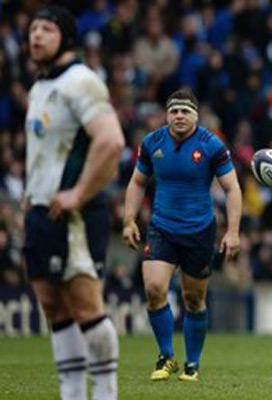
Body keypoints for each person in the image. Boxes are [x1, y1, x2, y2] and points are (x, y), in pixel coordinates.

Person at [24, 5, 124, 400]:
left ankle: (105, 392)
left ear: (65, 37)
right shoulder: (39, 86)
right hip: (40, 211)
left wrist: (78, 194)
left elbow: (111, 140)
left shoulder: (81, 81)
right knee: (53, 306)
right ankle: (71, 394)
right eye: (32, 29)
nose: (35, 36)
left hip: (75, 216)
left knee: (85, 306)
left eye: (46, 29)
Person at [122, 89, 242, 382]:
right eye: (174, 111)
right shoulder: (152, 143)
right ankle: (166, 355)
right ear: (166, 114)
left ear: (196, 116)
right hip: (162, 227)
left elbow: (232, 189)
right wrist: (129, 220)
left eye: (185, 111)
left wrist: (233, 232)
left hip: (199, 231)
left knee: (193, 299)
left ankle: (193, 363)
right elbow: (137, 183)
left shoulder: (212, 145)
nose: (179, 116)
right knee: (153, 288)